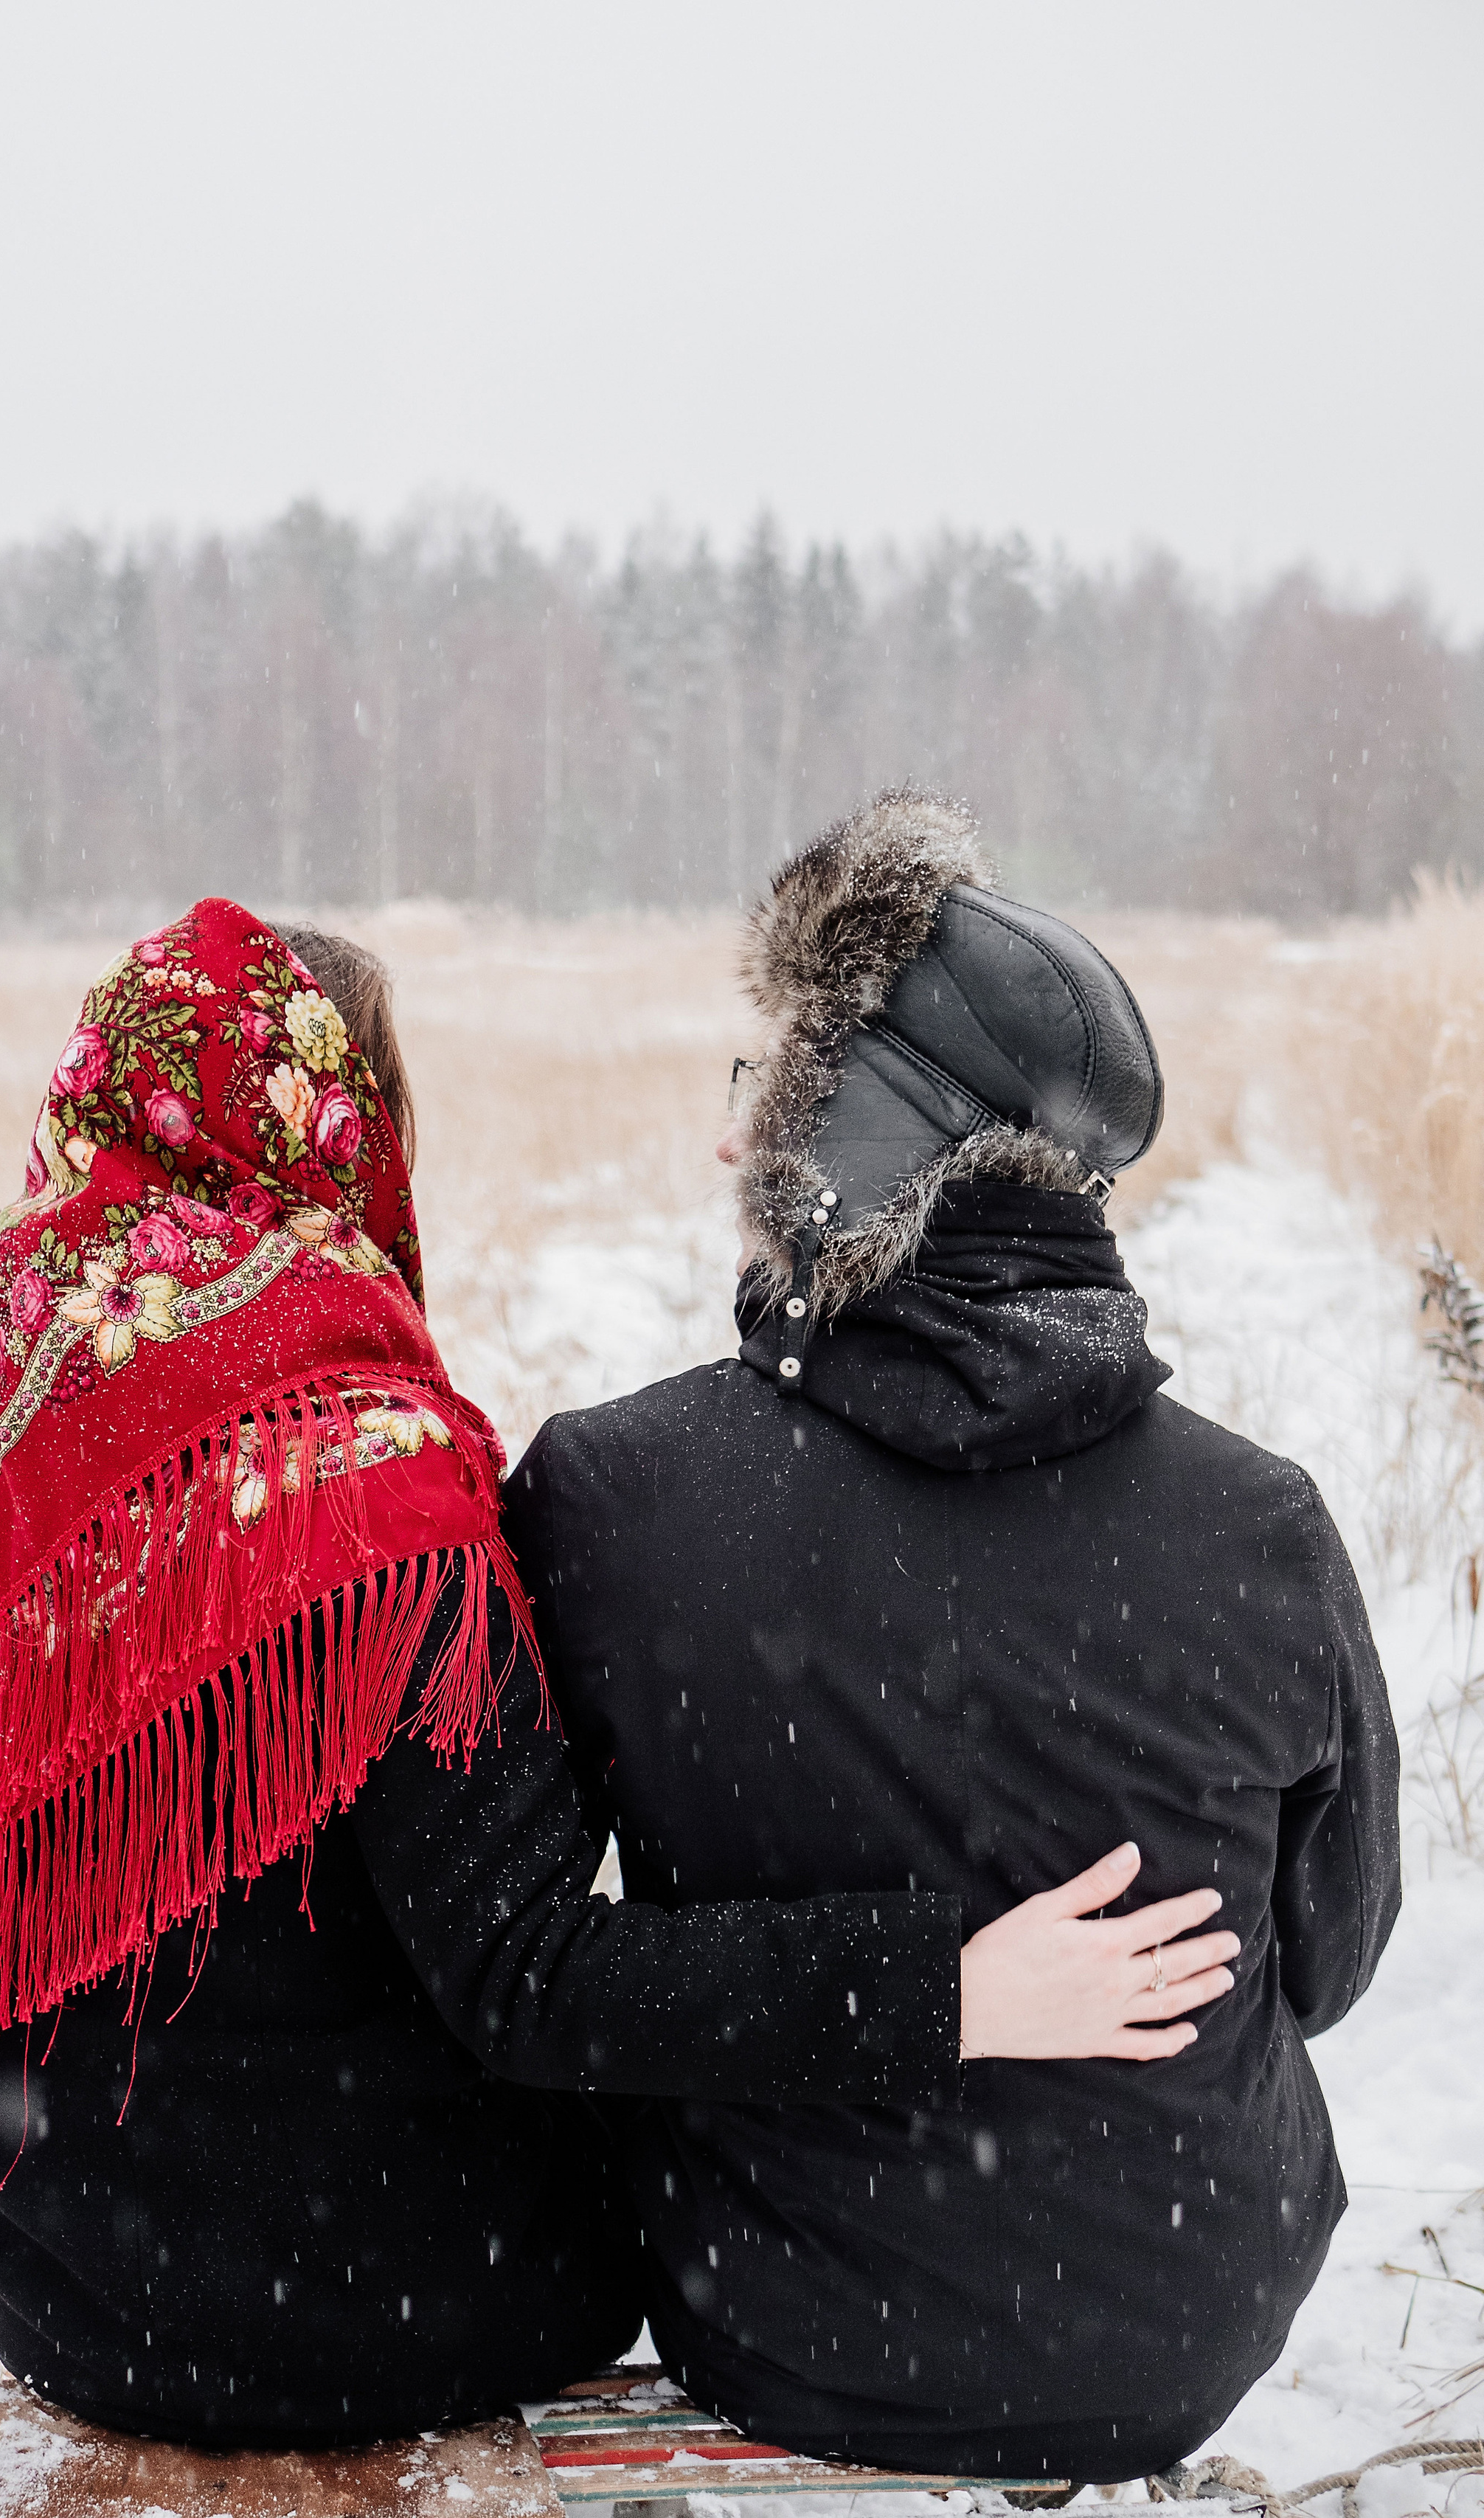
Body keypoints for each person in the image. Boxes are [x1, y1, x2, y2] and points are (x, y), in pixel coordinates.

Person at [0, 893, 1236, 2452]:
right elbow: (532, 1983)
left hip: (42, 2262)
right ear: (340, 1133)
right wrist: (942, 1988)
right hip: (355, 2297)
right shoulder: (362, 1493)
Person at [504, 789, 1401, 2485]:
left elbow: (539, 1984)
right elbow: (1330, 1959)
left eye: (756, 1092)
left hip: (782, 2329)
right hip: (1189, 2320)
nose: (723, 1145)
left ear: (840, 1134)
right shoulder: (1261, 1522)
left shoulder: (613, 1495)